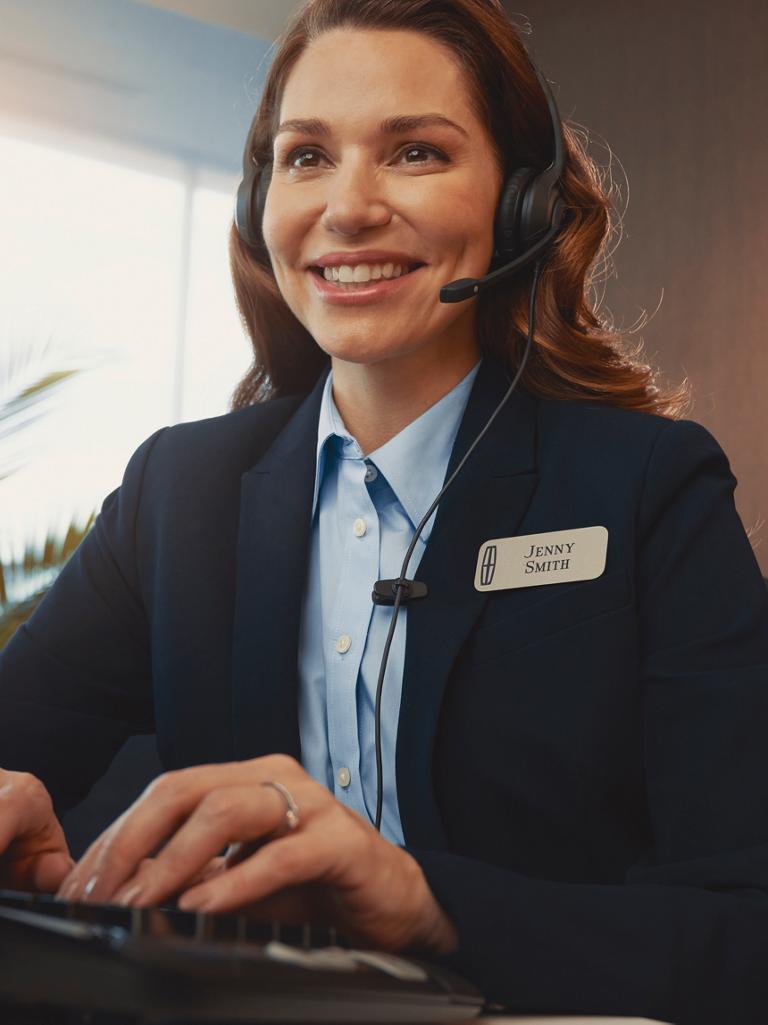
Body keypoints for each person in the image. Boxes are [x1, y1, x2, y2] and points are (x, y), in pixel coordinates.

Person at [1, 0, 768, 1021]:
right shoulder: (173, 493)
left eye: (414, 151)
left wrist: (425, 900)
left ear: (525, 201)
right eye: (307, 156)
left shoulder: (649, 487)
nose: (349, 207)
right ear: (257, 203)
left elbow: (746, 926)